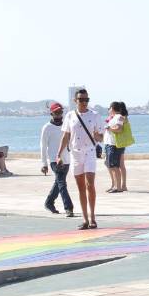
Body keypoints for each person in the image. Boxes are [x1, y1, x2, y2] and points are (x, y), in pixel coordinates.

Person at [56, 89, 105, 230]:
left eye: (86, 99)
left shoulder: (95, 115)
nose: (84, 102)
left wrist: (97, 136)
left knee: (90, 184)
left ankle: (93, 218)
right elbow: (65, 136)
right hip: (75, 154)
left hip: (89, 152)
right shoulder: (70, 116)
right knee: (81, 187)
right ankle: (85, 219)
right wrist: (58, 154)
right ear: (75, 101)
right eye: (81, 99)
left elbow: (102, 137)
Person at [40, 102, 74, 216]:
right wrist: (44, 163)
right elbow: (43, 146)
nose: (59, 114)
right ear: (51, 113)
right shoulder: (47, 128)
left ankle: (49, 202)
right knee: (62, 183)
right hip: (55, 160)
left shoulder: (67, 125)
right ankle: (68, 207)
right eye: (56, 112)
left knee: (59, 183)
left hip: (67, 159)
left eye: (60, 112)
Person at [103, 102, 127, 194]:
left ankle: (119, 187)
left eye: (109, 108)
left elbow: (119, 129)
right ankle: (115, 185)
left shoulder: (119, 117)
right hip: (109, 144)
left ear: (112, 108)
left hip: (113, 145)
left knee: (114, 166)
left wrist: (109, 128)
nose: (108, 110)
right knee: (110, 165)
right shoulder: (115, 117)